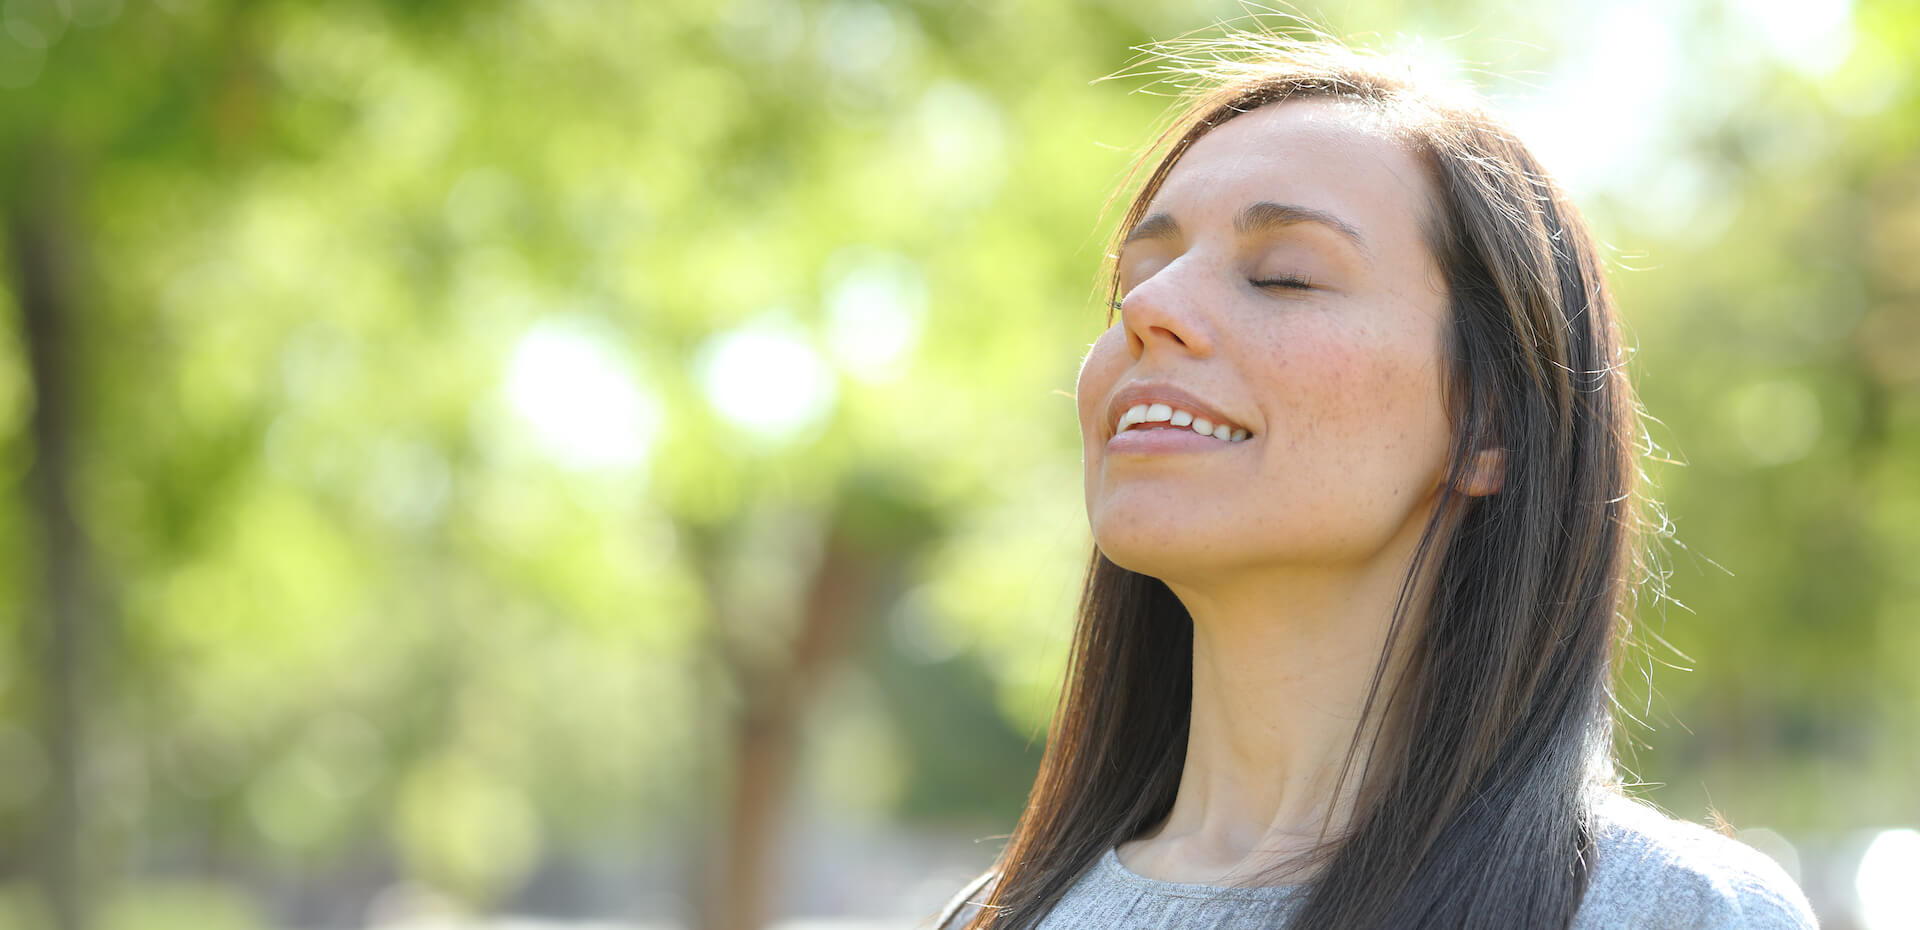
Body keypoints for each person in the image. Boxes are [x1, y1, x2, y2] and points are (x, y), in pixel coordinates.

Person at [929, 32, 1818, 930]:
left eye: (1284, 277)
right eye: (1135, 283)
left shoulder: (1670, 912)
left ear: (1490, 423)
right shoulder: (996, 915)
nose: (1149, 312)